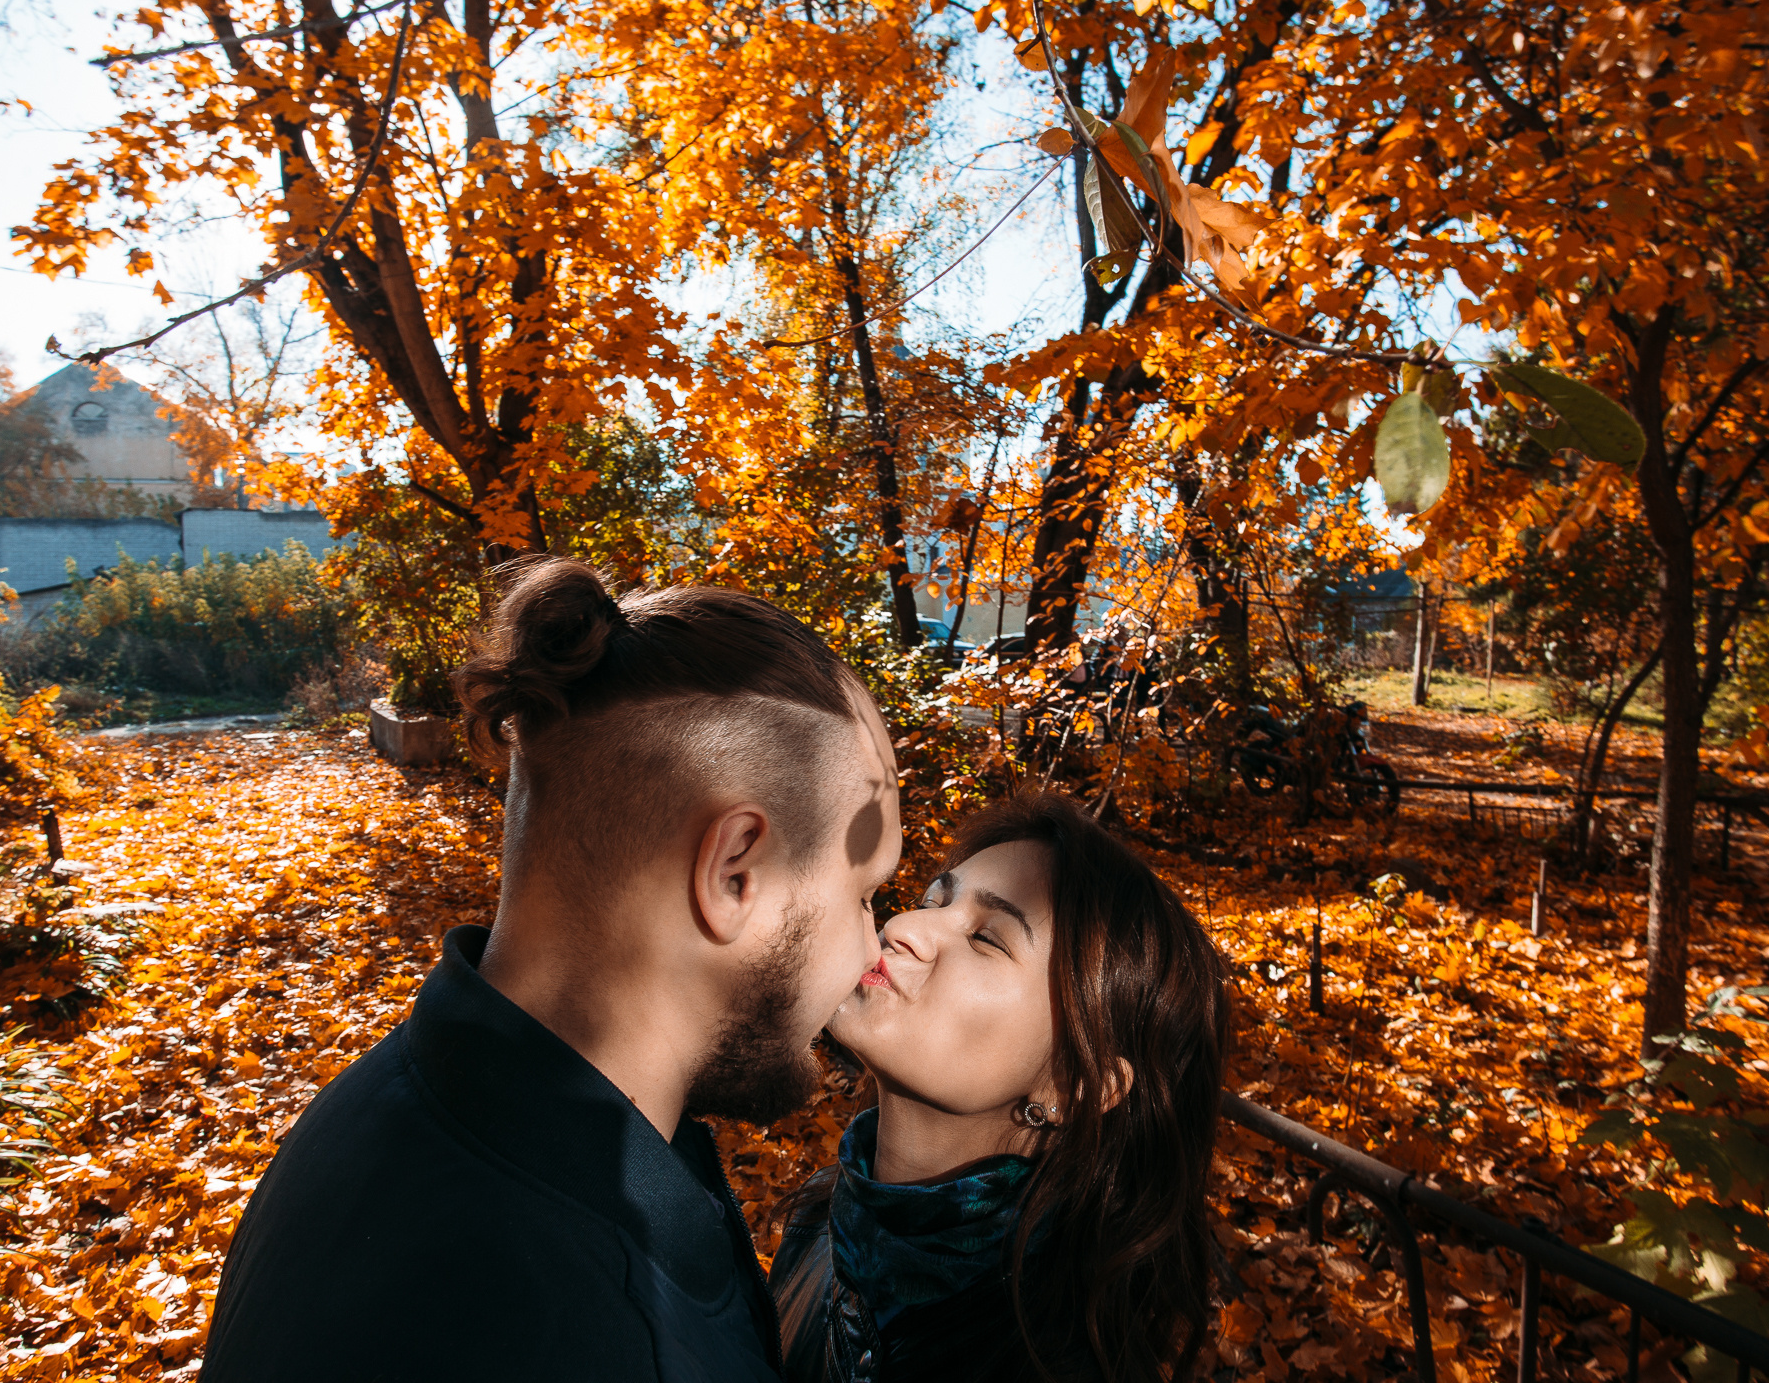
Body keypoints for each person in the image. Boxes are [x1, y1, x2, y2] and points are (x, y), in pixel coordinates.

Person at [201, 556, 901, 1383]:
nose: (872, 952)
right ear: (734, 874)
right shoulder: (610, 1337)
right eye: (862, 894)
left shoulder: (377, 1114)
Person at [770, 792, 1230, 1383]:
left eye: (988, 938)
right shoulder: (818, 1219)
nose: (903, 927)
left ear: (1076, 1086)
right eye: (930, 900)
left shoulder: (1049, 1361)